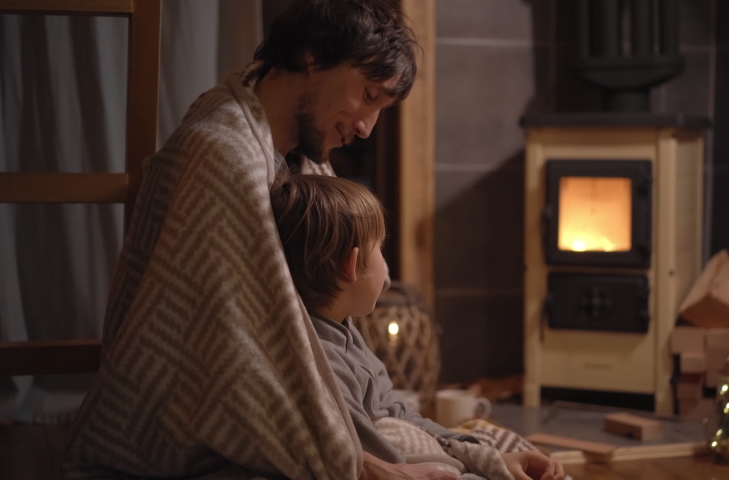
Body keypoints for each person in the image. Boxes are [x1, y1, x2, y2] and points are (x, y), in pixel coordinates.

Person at [63, 1, 472, 479]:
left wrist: (452, 446)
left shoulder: (300, 160)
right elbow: (231, 359)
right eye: (367, 95)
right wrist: (361, 467)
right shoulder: (222, 154)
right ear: (313, 56)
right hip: (188, 431)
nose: (365, 127)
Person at [270, 174, 566, 480]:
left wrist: (493, 459)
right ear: (351, 265)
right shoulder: (325, 365)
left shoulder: (347, 333)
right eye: (380, 249)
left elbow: (397, 411)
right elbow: (381, 458)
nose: (385, 267)